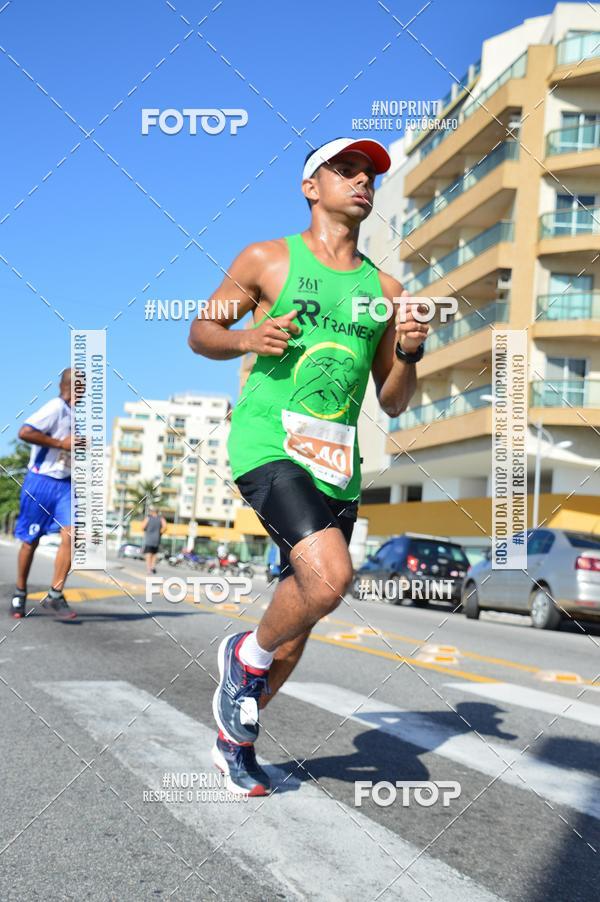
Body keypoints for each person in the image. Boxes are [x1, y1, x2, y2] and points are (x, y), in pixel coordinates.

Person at [189, 137, 430, 796]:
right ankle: (244, 657)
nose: (361, 181)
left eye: (369, 174)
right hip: (270, 444)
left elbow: (393, 397)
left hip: (337, 466)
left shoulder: (385, 288)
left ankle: (234, 736)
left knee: (299, 623)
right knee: (330, 579)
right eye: (344, 170)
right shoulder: (268, 259)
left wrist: (409, 352)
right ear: (310, 186)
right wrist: (246, 336)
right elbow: (200, 331)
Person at [10, 368, 77, 621]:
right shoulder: (55, 407)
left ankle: (55, 594)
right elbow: (25, 432)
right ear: (72, 387)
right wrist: (61, 444)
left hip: (65, 484)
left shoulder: (75, 415)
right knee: (30, 541)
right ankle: (19, 591)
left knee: (72, 535)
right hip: (40, 482)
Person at [141, 507, 166, 575]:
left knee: (148, 554)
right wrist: (160, 533)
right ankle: (153, 566)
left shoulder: (148, 518)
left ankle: (149, 569)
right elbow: (165, 526)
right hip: (157, 539)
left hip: (149, 539)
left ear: (152, 512)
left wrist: (146, 529)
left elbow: (143, 526)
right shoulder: (161, 518)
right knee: (154, 554)